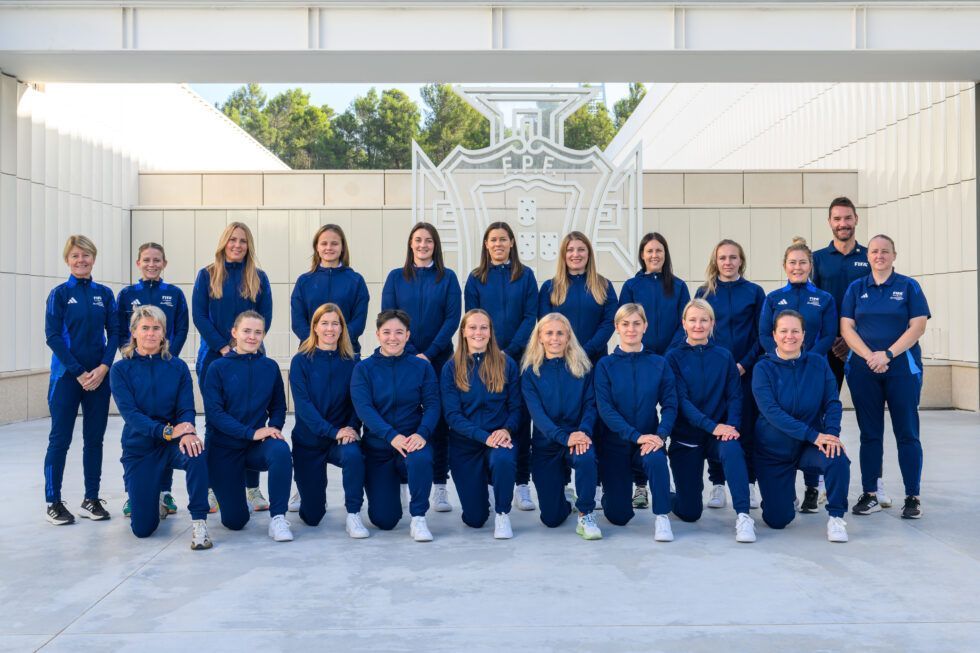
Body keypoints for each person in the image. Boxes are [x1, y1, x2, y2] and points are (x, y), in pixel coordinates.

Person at [840, 234, 930, 520]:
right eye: (875, 251)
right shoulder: (856, 288)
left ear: (894, 255)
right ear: (868, 256)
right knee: (870, 434)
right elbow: (846, 328)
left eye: (885, 251)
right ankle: (869, 493)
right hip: (864, 371)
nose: (879, 255)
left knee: (907, 433)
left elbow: (917, 326)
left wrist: (888, 355)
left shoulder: (908, 286)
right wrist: (870, 356)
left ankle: (912, 496)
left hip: (902, 370)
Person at [110, 306, 212, 549]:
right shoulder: (121, 369)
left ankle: (200, 523)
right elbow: (131, 415)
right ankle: (152, 496)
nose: (150, 334)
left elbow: (186, 408)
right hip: (141, 448)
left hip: (173, 444)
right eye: (145, 328)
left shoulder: (176, 367)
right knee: (143, 530)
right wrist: (166, 431)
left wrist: (187, 432)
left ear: (164, 333)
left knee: (197, 452)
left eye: (156, 328)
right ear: (133, 332)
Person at [812, 197, 891, 505]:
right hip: (828, 348)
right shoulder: (817, 259)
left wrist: (856, 342)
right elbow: (813, 304)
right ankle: (819, 478)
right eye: (836, 219)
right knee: (821, 414)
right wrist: (834, 338)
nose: (842, 223)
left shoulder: (868, 256)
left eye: (847, 218)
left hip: (864, 351)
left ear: (856, 219)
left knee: (870, 420)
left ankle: (875, 482)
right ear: (829, 222)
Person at [192, 221, 273, 513]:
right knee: (216, 421)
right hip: (215, 357)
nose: (237, 245)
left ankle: (252, 489)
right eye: (232, 240)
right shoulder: (207, 275)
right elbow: (199, 317)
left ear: (248, 245)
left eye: (242, 241)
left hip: (252, 359)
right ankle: (214, 487)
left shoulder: (258, 278)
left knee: (253, 420)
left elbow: (266, 317)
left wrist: (244, 346)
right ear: (224, 242)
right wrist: (225, 348)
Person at [381, 222, 461, 513]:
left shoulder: (448, 278)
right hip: (403, 358)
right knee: (404, 416)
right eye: (418, 240)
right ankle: (405, 483)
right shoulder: (395, 277)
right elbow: (389, 317)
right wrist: (412, 352)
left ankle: (440, 486)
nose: (423, 245)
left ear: (435, 245)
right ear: (410, 244)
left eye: (428, 241)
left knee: (438, 422)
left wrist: (428, 354)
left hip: (439, 360)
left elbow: (452, 320)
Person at [752, 310, 851, 543]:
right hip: (773, 451)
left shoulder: (818, 363)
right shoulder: (762, 368)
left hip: (808, 447)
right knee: (778, 520)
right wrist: (815, 435)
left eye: (795, 331)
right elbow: (772, 413)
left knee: (837, 458)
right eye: (783, 331)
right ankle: (783, 496)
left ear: (804, 335)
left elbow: (832, 402)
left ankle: (836, 517)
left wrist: (831, 436)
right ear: (774, 335)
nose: (790, 336)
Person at [43, 235, 119, 525]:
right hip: (67, 377)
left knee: (94, 440)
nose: (81, 260)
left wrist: (103, 367)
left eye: (86, 255)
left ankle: (91, 498)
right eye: (75, 256)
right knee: (59, 440)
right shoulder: (59, 294)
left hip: (99, 378)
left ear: (93, 259)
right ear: (67, 260)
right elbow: (52, 337)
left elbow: (115, 334)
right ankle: (53, 501)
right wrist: (78, 371)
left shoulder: (104, 294)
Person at [665, 299, 756, 543]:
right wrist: (712, 425)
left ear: (712, 323)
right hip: (687, 438)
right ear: (684, 323)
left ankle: (744, 516)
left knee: (733, 447)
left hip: (718, 435)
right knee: (690, 512)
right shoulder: (672, 358)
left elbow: (735, 395)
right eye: (692, 320)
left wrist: (731, 428)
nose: (698, 325)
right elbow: (681, 402)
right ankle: (668, 494)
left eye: (704, 320)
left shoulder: (724, 355)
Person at [758, 237, 837, 512]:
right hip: (781, 368)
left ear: (810, 265)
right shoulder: (773, 299)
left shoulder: (824, 299)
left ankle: (813, 488)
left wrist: (809, 359)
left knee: (814, 420)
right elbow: (765, 335)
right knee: (784, 419)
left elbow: (828, 334)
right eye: (792, 262)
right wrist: (780, 358)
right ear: (784, 266)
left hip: (814, 369)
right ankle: (786, 485)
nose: (798, 267)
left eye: (803, 262)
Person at [463, 222, 538, 512]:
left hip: (518, 358)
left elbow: (531, 315)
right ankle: (490, 480)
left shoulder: (525, 275)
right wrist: (491, 350)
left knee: (519, 418)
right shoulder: (476, 278)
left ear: (511, 243)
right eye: (493, 239)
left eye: (503, 239)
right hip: (482, 356)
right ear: (486, 244)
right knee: (487, 410)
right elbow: (473, 316)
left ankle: (521, 483)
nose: (498, 244)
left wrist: (508, 351)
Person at [202, 311, 294, 542]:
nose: (252, 337)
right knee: (236, 522)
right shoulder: (217, 368)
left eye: (258, 332)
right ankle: (229, 495)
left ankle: (278, 518)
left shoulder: (270, 367)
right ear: (234, 333)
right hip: (224, 449)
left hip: (255, 447)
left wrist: (273, 428)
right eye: (246, 331)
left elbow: (278, 407)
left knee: (281, 450)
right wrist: (251, 433)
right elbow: (215, 414)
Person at [350, 310, 440, 542]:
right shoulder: (364, 369)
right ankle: (395, 486)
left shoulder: (421, 367)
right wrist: (391, 436)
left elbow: (432, 405)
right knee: (385, 521)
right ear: (378, 334)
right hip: (379, 447)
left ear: (407, 335)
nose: (393, 338)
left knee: (420, 458)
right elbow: (364, 409)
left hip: (412, 441)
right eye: (387, 332)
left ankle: (419, 518)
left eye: (399, 332)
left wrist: (422, 434)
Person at [117, 242, 190, 518]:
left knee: (169, 423)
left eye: (157, 260)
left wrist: (169, 359)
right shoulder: (126, 294)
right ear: (138, 263)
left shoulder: (173, 294)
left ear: (164, 263)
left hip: (166, 364)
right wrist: (134, 358)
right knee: (139, 428)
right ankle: (133, 492)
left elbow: (181, 327)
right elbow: (119, 329)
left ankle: (165, 491)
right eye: (146, 259)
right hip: (137, 365)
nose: (151, 264)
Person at [594, 304, 678, 542]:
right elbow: (606, 410)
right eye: (625, 324)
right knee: (618, 516)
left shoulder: (658, 363)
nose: (631, 329)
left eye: (636, 323)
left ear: (645, 326)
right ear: (617, 327)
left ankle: (662, 517)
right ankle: (612, 493)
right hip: (615, 445)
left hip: (648, 441)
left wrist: (660, 435)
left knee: (656, 458)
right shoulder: (605, 365)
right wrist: (634, 435)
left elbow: (671, 405)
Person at [619, 232, 690, 510]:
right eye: (649, 251)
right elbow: (626, 321)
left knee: (672, 414)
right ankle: (640, 484)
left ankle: (664, 475)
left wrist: (668, 353)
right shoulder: (632, 285)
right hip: (641, 359)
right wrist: (645, 351)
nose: (654, 255)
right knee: (641, 414)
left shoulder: (679, 286)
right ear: (642, 255)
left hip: (672, 359)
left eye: (659, 250)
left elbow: (684, 322)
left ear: (665, 254)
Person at [694, 240, 766, 512]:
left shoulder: (754, 292)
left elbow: (762, 334)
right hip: (714, 374)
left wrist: (744, 364)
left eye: (733, 257)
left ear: (741, 261)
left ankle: (748, 482)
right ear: (715, 261)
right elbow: (698, 331)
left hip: (745, 371)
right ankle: (718, 484)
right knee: (716, 423)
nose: (727, 262)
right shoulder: (704, 292)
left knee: (745, 425)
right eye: (722, 257)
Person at [288, 303, 369, 539]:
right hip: (310, 441)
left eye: (335, 323)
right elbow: (304, 408)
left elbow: (358, 404)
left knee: (354, 455)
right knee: (311, 518)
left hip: (341, 439)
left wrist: (352, 428)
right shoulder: (301, 361)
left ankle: (353, 514)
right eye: (324, 323)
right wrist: (333, 431)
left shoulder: (353, 362)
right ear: (314, 327)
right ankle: (305, 490)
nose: (330, 328)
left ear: (343, 329)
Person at [441, 310, 521, 539]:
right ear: (464, 332)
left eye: (483, 327)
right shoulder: (451, 368)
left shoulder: (507, 364)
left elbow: (516, 408)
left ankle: (503, 513)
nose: (478, 332)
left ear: (491, 332)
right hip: (465, 445)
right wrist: (484, 437)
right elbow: (453, 416)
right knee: (474, 520)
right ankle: (484, 485)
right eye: (473, 327)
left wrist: (505, 430)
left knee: (503, 459)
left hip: (499, 439)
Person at [521, 314, 602, 540]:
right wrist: (564, 438)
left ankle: (586, 512)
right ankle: (564, 501)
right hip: (547, 443)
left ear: (568, 337)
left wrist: (583, 432)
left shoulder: (583, 368)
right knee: (551, 519)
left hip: (577, 437)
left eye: (560, 333)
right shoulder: (530, 373)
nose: (554, 338)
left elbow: (590, 405)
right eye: (549, 333)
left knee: (585, 456)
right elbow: (538, 417)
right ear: (539, 338)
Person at [290, 224, 370, 352]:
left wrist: (337, 342)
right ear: (317, 247)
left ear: (342, 247)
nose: (329, 247)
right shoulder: (304, 281)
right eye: (324, 243)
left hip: (346, 353)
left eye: (334, 243)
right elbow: (298, 321)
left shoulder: (356, 281)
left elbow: (358, 321)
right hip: (311, 353)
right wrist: (318, 343)